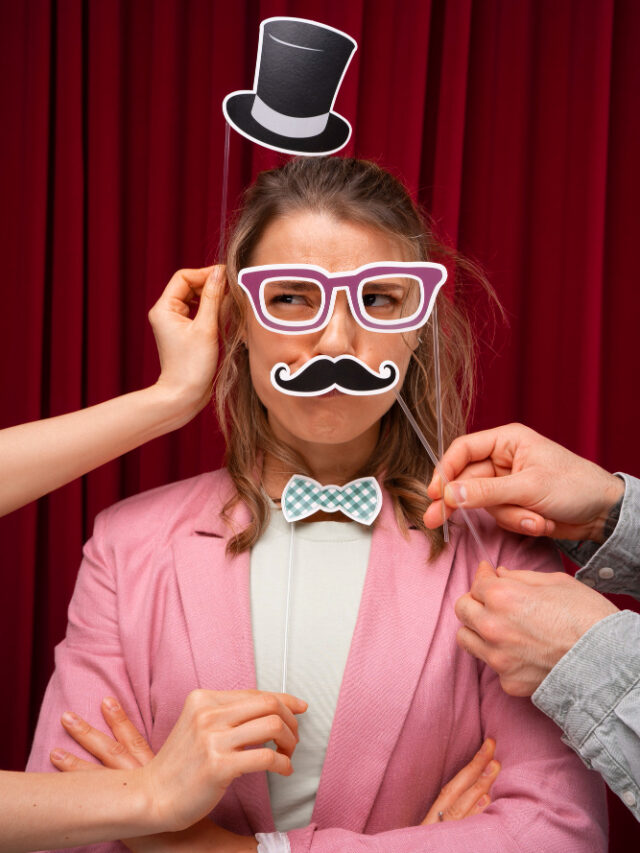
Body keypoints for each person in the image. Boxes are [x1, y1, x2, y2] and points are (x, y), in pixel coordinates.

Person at [26, 157, 607, 852]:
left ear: (417, 327)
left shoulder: (507, 545)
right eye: (294, 298)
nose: (335, 340)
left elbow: (556, 833)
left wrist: (200, 844)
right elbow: (64, 826)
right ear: (236, 323)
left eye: (380, 299)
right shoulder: (127, 544)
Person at [424, 422, 640, 819]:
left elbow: (556, 827)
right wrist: (611, 514)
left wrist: (586, 657)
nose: (334, 354)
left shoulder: (495, 542)